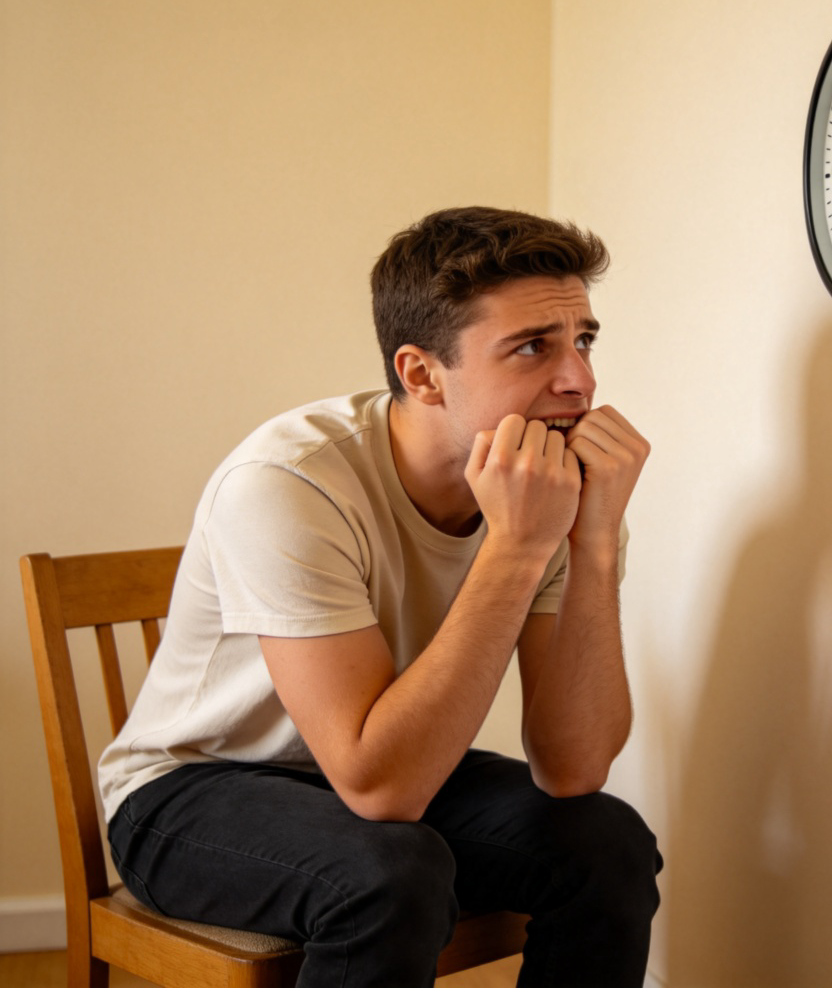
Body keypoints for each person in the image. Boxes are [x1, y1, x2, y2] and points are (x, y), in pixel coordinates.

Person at [98, 206, 662, 987]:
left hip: (382, 765)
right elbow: (382, 786)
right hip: (192, 789)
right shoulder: (288, 483)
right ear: (422, 374)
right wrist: (519, 546)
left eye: (583, 339)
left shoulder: (552, 488)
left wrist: (592, 541)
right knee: (389, 872)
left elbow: (573, 767)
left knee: (607, 842)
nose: (580, 380)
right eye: (533, 347)